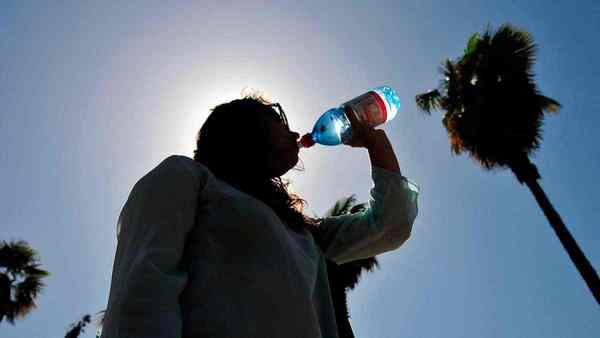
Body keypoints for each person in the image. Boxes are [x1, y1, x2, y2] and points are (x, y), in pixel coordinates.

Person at [100, 94, 419, 338]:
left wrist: (376, 144)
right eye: (277, 119)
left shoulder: (303, 233)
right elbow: (142, 292)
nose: (293, 130)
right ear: (244, 129)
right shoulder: (186, 177)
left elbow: (391, 224)